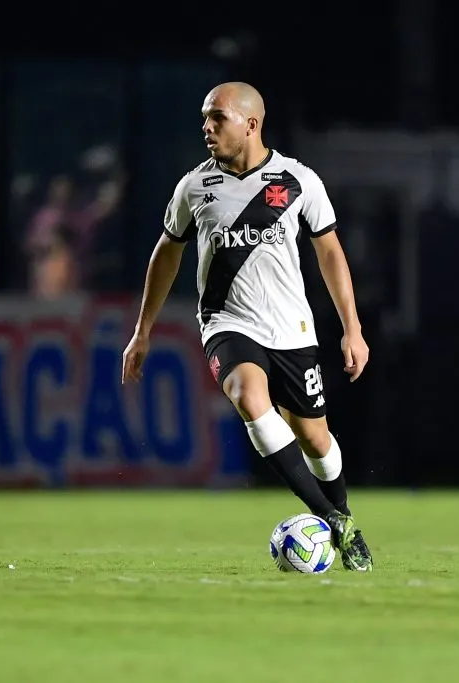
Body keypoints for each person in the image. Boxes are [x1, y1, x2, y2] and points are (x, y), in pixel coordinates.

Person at [121, 82, 373, 571]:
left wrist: (353, 328)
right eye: (204, 118)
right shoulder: (194, 187)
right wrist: (142, 330)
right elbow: (167, 253)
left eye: (217, 118)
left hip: (293, 331)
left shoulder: (298, 181)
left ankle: (341, 512)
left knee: (315, 438)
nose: (206, 128)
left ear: (251, 123)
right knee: (249, 397)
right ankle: (332, 521)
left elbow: (330, 254)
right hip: (227, 324)